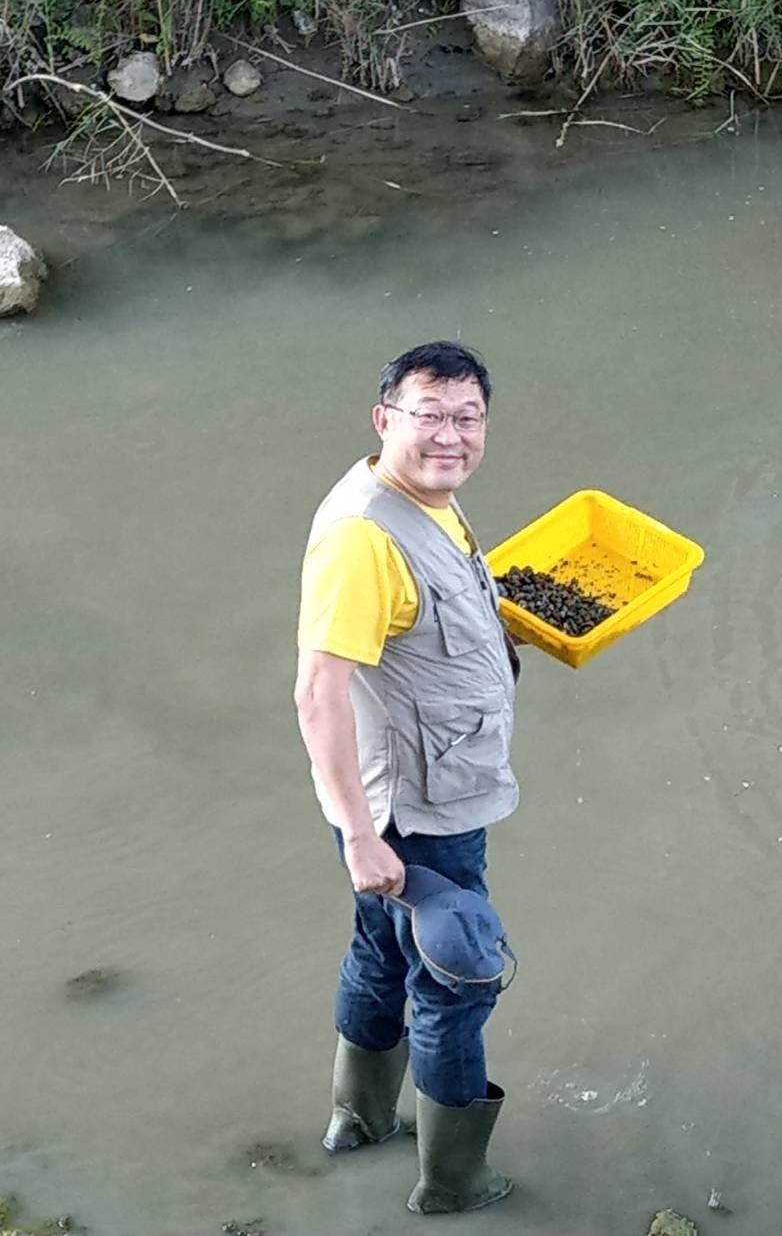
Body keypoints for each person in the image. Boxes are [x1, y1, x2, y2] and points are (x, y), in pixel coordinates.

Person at [294, 340, 520, 1216]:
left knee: (381, 951)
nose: (451, 436)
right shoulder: (364, 537)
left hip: (401, 791)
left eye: (468, 417)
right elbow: (318, 689)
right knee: (456, 978)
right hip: (413, 808)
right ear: (385, 418)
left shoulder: (425, 501)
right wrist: (358, 832)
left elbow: (422, 628)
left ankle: (358, 1120)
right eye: (429, 415)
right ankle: (455, 1181)